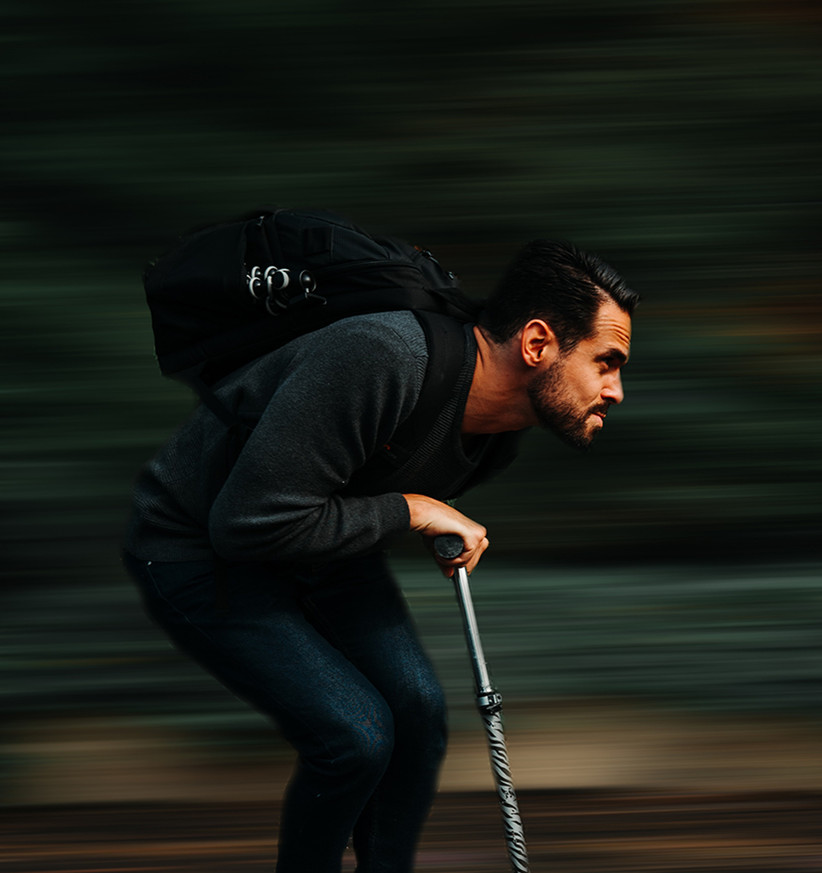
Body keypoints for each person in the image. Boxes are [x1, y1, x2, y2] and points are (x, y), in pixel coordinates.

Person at [122, 238, 637, 873]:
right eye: (607, 362)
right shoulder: (380, 357)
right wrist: (412, 511)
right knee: (355, 738)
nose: (615, 391)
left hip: (314, 546)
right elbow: (249, 523)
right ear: (537, 345)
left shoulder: (496, 437)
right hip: (198, 546)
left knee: (418, 719)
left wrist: (406, 511)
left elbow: (347, 497)